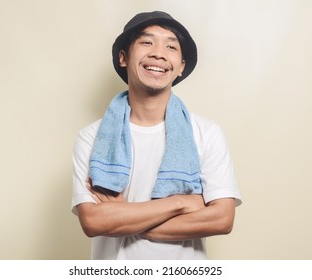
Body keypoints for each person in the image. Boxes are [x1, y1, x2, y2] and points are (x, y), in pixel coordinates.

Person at [72, 11, 242, 260]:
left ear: (181, 66)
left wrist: (123, 216)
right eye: (146, 42)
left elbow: (222, 219)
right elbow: (94, 222)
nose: (159, 53)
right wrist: (182, 203)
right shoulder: (92, 137)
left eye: (171, 46)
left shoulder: (206, 133)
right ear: (123, 57)